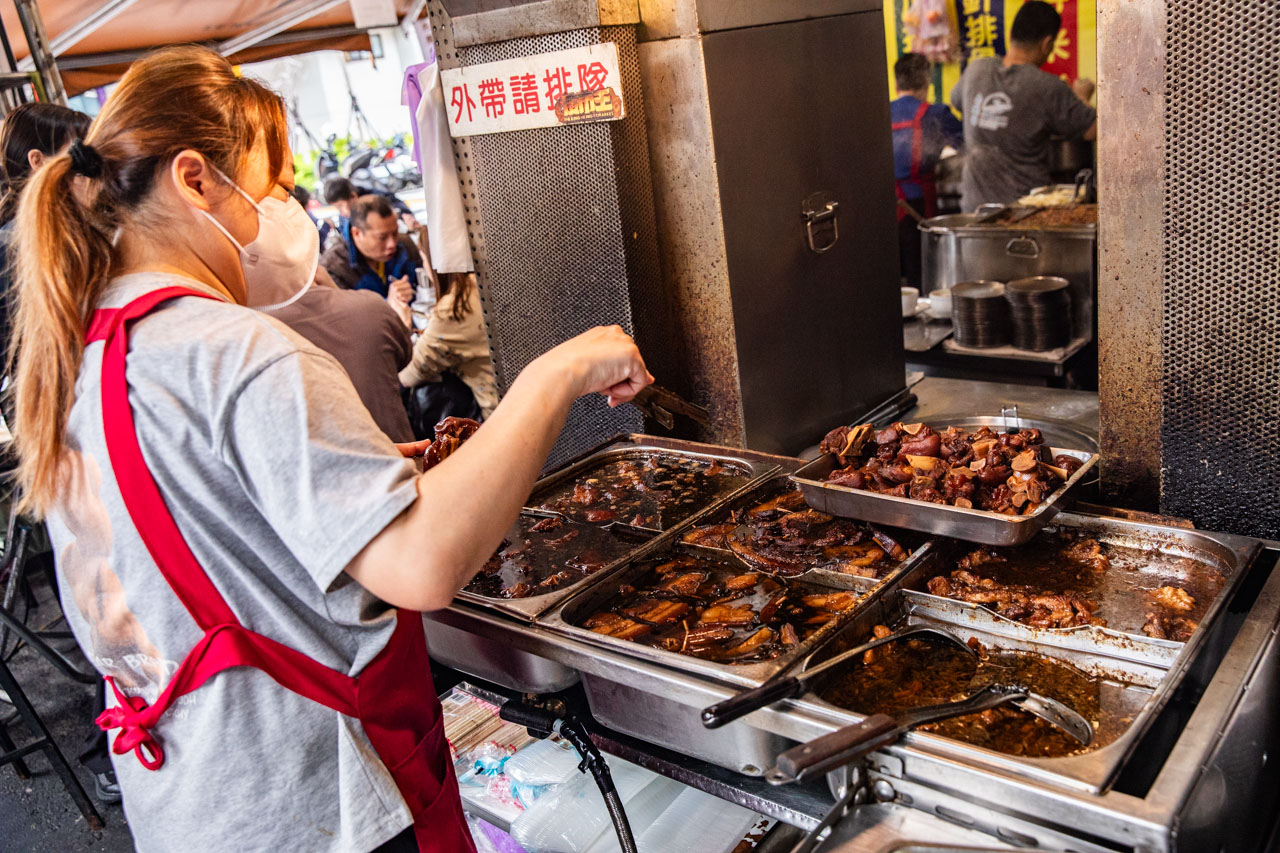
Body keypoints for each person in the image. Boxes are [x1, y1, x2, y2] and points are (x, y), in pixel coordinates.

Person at [8, 44, 651, 853]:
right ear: (194, 178)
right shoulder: (241, 353)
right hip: (323, 804)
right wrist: (554, 375)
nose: (278, 213)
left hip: (195, 803)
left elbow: (200, 538)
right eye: (268, 185)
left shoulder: (85, 357)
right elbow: (419, 564)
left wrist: (358, 473)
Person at [950, 0, 1097, 212]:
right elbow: (1093, 130)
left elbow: (957, 101)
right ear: (1047, 44)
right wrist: (1082, 97)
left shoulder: (975, 70)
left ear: (1011, 35)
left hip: (975, 213)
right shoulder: (1047, 87)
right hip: (1025, 213)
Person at [269, 264, 415, 443]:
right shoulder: (372, 306)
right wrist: (403, 325)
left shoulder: (260, 328)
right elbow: (403, 358)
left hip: (323, 459)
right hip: (398, 449)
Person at [0, 103, 92, 364]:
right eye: (78, 157)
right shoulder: (13, 247)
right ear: (38, 161)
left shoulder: (77, 233)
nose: (91, 172)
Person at [890, 52, 963, 288]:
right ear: (926, 81)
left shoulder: (880, 111)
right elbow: (969, 147)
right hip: (917, 205)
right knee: (922, 276)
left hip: (886, 206)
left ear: (896, 82)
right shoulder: (936, 114)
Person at [400, 272, 498, 422]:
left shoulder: (457, 305)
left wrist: (401, 327)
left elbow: (408, 376)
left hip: (499, 418)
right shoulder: (484, 280)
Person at [321, 194, 420, 309]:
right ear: (357, 233)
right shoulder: (333, 268)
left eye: (394, 233)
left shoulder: (405, 244)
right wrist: (387, 304)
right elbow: (344, 318)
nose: (392, 244)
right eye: (382, 237)